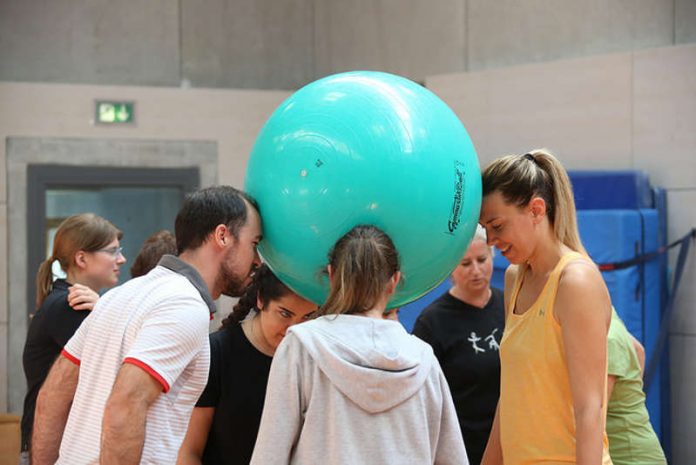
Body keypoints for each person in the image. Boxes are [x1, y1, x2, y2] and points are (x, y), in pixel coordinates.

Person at [31, 186, 262, 465]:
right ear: (222, 235)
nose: (258, 260)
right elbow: (124, 404)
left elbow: (51, 397)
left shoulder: (119, 295)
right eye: (254, 244)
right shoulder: (186, 305)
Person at [250, 225, 468, 465]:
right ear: (394, 281)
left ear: (331, 275)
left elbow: (270, 454)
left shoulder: (302, 346)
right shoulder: (424, 361)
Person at [479, 149, 613, 465]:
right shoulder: (514, 279)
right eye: (486, 229)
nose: (490, 240)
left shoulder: (575, 281)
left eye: (497, 226)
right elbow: (509, 397)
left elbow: (589, 409)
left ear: (537, 210)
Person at [177, 264, 317, 465]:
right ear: (261, 300)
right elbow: (188, 452)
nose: (293, 329)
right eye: (284, 314)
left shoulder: (310, 361)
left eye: (307, 317)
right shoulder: (217, 352)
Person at [20, 213, 125, 463]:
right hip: (51, 449)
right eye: (112, 251)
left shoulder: (73, 302)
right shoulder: (69, 305)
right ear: (81, 258)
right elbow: (116, 368)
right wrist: (104, 310)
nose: (121, 259)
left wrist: (103, 309)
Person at [413, 225, 504, 465]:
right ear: (450, 269)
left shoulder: (510, 304)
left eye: (482, 260)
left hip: (512, 442)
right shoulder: (432, 322)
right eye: (465, 264)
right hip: (461, 447)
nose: (476, 271)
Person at [606, 309, 667, 465]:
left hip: (632, 457)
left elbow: (595, 412)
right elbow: (639, 349)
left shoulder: (609, 339)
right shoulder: (609, 316)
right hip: (637, 448)